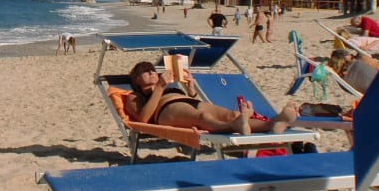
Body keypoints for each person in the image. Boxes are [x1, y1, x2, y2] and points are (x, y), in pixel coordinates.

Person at [124, 61, 297, 134]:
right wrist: (160, 87)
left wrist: (190, 89)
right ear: (137, 80)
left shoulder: (168, 85)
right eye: (145, 71)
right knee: (202, 118)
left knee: (231, 114)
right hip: (165, 109)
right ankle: (233, 127)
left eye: (153, 69)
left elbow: (190, 99)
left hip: (187, 100)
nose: (152, 72)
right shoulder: (135, 96)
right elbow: (144, 118)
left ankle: (274, 123)